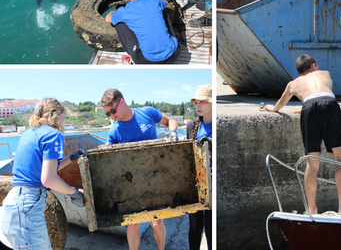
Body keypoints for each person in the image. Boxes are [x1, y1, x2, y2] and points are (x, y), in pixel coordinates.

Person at [264, 55, 341, 214]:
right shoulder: (324, 73)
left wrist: (275, 109)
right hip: (328, 105)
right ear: (314, 66)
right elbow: (323, 95)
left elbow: (280, 104)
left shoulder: (292, 84)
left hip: (308, 109)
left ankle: (312, 210)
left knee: (312, 163)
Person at [1, 98, 86, 249]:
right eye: (63, 117)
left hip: (13, 204)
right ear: (56, 115)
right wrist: (74, 193)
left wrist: (72, 158)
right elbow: (48, 179)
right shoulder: (54, 135)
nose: (63, 121)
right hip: (27, 207)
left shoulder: (29, 133)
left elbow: (44, 172)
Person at [100, 89, 179, 250]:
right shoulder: (114, 132)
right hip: (131, 182)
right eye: (108, 113)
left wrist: (173, 133)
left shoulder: (147, 112)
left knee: (156, 222)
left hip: (155, 177)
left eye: (113, 110)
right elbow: (106, 157)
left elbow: (169, 121)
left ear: (122, 101)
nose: (112, 115)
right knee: (133, 225)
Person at [105, 0, 180, 65]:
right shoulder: (155, 2)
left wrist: (113, 12)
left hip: (147, 61)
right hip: (174, 54)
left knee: (118, 23)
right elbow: (166, 4)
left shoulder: (124, 11)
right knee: (162, 10)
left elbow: (107, 19)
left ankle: (132, 59)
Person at [186, 84, 212, 250]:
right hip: (196, 185)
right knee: (195, 228)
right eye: (196, 102)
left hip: (212, 184)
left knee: (210, 229)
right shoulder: (191, 126)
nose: (198, 106)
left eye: (202, 101)